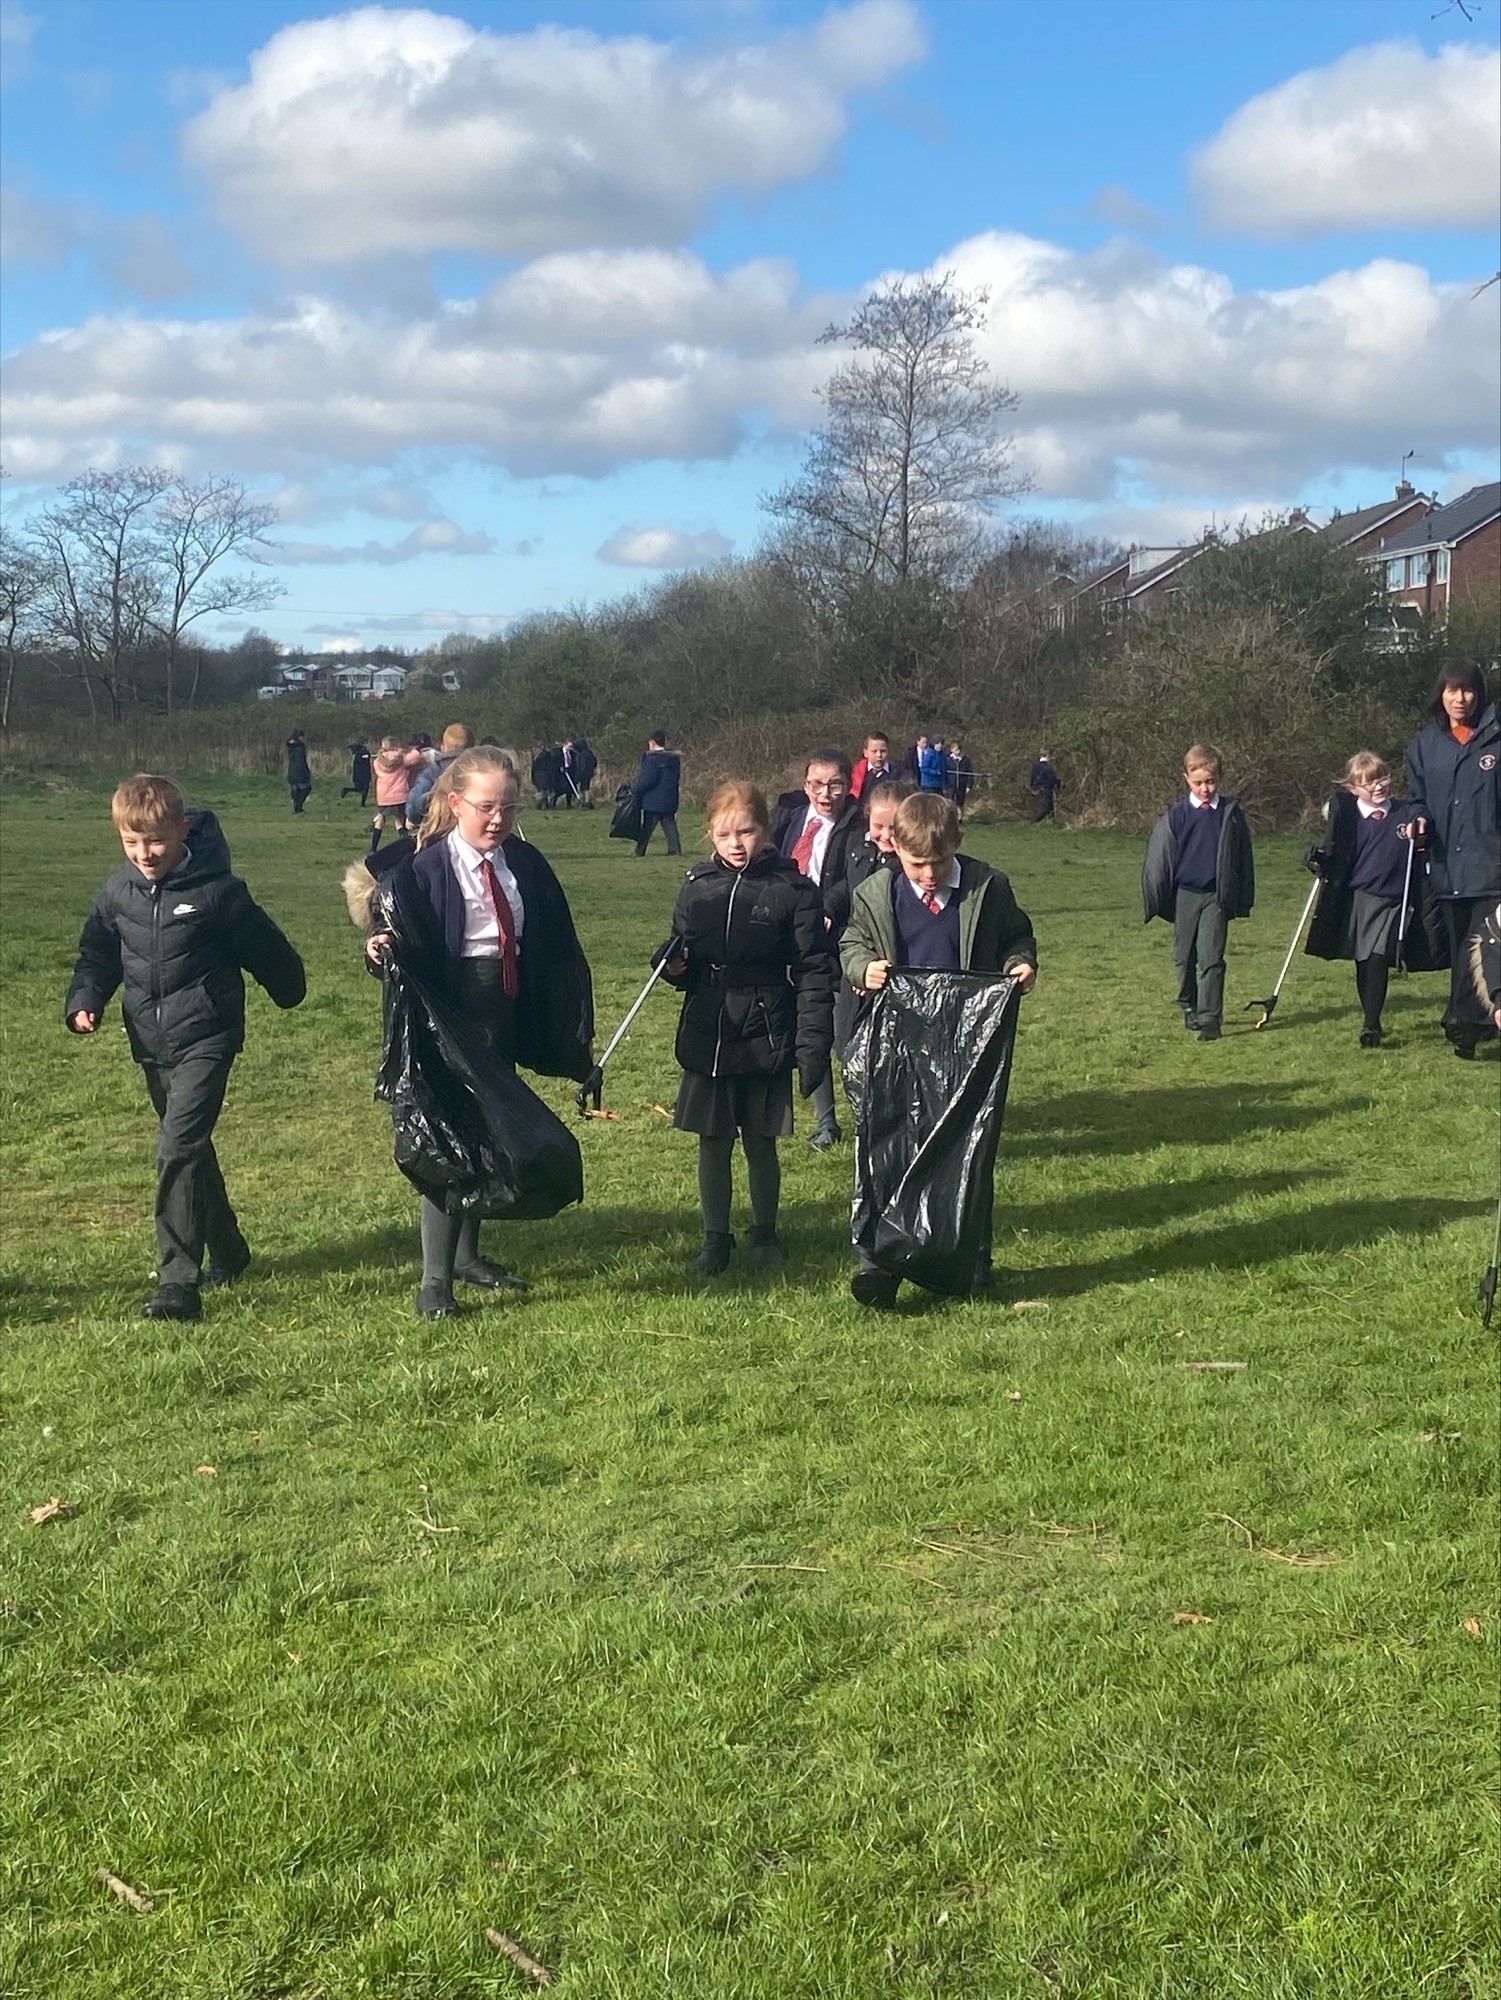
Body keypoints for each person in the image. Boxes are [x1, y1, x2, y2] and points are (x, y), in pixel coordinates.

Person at [361, 747, 594, 1318]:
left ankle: (468, 1256)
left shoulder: (524, 863)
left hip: (503, 1012)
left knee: (488, 1131)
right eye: (486, 807)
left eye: (509, 808)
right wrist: (379, 950)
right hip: (448, 1014)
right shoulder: (424, 868)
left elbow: (552, 941)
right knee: (448, 1139)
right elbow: (394, 938)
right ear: (454, 802)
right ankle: (434, 1282)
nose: (497, 819)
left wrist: (567, 1027)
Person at [64, 774, 305, 1321]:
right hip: (150, 1041)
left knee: (177, 1147)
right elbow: (97, 955)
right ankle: (231, 1250)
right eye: (132, 842)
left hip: (207, 1037)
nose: (145, 854)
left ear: (182, 831)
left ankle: (178, 1280)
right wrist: (87, 999)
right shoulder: (116, 893)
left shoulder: (218, 893)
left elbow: (267, 947)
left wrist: (289, 989)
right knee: (190, 1148)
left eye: (156, 841)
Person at [840, 790, 1037, 1308]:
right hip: (897, 1042)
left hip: (966, 1041)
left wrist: (1021, 963)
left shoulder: (987, 888)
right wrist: (865, 968)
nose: (928, 874)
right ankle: (880, 1263)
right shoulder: (876, 892)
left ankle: (972, 1260)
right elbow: (850, 943)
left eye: (938, 862)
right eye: (916, 864)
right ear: (893, 849)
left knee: (966, 1146)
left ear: (958, 845)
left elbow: (1018, 934)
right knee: (888, 1143)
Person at [659, 781, 835, 1276]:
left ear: (766, 830)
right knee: (712, 1140)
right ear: (710, 835)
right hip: (708, 1028)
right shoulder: (697, 885)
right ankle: (716, 1238)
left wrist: (811, 1047)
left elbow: (814, 970)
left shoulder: (794, 889)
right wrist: (675, 965)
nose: (736, 843)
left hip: (767, 1028)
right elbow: (681, 952)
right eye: (724, 834)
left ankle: (765, 1232)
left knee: (760, 1140)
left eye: (746, 831)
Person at [1405, 660, 1500, 1058]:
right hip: (1446, 864)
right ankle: (1472, 1023)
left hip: (1491, 864)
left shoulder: (1496, 739)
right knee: (1462, 944)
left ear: (1479, 694)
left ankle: (1462, 1020)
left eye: (1467, 690)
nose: (1459, 699)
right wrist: (1417, 819)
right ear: (1440, 694)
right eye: (1451, 690)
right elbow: (1417, 798)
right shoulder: (1424, 746)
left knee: (1487, 942)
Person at [771, 749, 864, 1149]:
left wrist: (826, 908)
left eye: (835, 784)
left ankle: (868, 1115)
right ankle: (826, 1122)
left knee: (846, 1037)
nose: (825, 794)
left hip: (840, 939)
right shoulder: (788, 817)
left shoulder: (859, 824)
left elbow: (859, 875)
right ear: (805, 783)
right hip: (793, 941)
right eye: (817, 784)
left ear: (848, 785)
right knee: (811, 1030)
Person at [1304, 753, 1423, 1048]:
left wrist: (1419, 835)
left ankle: (1371, 1024)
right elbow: (1334, 854)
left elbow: (1424, 842)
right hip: (1359, 897)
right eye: (1369, 782)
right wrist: (1317, 860)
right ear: (1353, 787)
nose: (1378, 786)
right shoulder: (1347, 818)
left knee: (1378, 956)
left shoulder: (1404, 812)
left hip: (1394, 898)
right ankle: (1371, 1017)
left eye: (1382, 778)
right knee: (1364, 959)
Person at [1141, 743, 1255, 1042]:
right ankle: (1188, 1005)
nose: (1206, 788)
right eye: (1199, 782)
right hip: (1184, 895)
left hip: (1216, 896)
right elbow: (1160, 860)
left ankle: (1210, 1019)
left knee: (1211, 958)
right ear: (1186, 779)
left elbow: (1244, 857)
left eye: (1211, 781)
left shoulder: (1230, 813)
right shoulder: (1176, 816)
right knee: (1183, 957)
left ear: (1220, 778)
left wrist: (1240, 896)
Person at [406, 721, 475, 827]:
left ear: (443, 747)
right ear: (473, 747)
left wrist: (413, 818)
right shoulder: (478, 769)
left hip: (441, 824)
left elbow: (418, 797)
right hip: (471, 823)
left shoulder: (435, 770)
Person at [369, 735, 424, 855]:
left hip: (383, 796)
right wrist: (412, 748)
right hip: (399, 795)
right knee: (399, 820)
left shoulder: (377, 761)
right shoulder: (401, 758)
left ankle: (373, 848)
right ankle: (405, 846)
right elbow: (416, 757)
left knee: (381, 820)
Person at [632, 731, 682, 856]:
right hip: (670, 797)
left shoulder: (652, 760)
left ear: (652, 742)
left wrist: (635, 789)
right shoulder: (673, 759)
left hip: (653, 799)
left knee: (647, 827)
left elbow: (648, 780)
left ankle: (640, 850)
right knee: (669, 824)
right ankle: (675, 849)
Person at [851, 732, 896, 802]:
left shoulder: (899, 776)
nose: (879, 755)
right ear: (865, 753)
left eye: (883, 751)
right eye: (874, 751)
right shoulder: (855, 775)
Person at [560, 736, 597, 807]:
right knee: (585, 788)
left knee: (585, 789)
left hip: (584, 774)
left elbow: (582, 766)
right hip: (589, 773)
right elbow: (595, 762)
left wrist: (580, 774)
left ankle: (587, 802)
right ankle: (586, 802)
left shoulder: (583, 755)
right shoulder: (590, 753)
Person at [285, 729, 313, 814]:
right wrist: (307, 772)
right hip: (300, 772)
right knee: (306, 788)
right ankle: (298, 806)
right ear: (300, 737)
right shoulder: (300, 747)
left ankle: (297, 807)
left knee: (295, 790)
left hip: (291, 771)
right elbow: (301, 761)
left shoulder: (290, 747)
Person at [530, 744, 563, 810]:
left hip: (538, 775)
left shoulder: (538, 757)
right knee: (546, 792)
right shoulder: (549, 757)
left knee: (544, 791)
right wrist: (553, 779)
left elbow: (533, 768)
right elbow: (551, 768)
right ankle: (539, 804)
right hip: (545, 776)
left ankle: (546, 805)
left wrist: (533, 778)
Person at [947, 739, 975, 815]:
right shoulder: (947, 760)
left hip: (961, 785)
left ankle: (960, 819)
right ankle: (951, 818)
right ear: (952, 750)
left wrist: (969, 786)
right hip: (950, 785)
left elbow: (969, 773)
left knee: (960, 803)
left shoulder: (966, 760)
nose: (958, 751)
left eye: (959, 749)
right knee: (950, 802)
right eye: (956, 750)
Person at [1030, 752, 1060, 821]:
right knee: (1045, 808)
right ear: (1048, 756)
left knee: (1049, 807)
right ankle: (1033, 821)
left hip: (1038, 788)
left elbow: (1032, 777)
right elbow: (1051, 779)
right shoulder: (1047, 767)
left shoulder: (1035, 766)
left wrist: (1033, 787)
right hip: (1046, 788)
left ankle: (1051, 821)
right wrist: (1058, 783)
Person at [342, 738, 372, 806]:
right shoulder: (362, 752)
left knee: (361, 788)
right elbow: (366, 759)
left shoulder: (359, 753)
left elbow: (366, 758)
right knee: (363, 789)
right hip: (363, 774)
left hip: (359, 774)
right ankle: (362, 803)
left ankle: (347, 790)